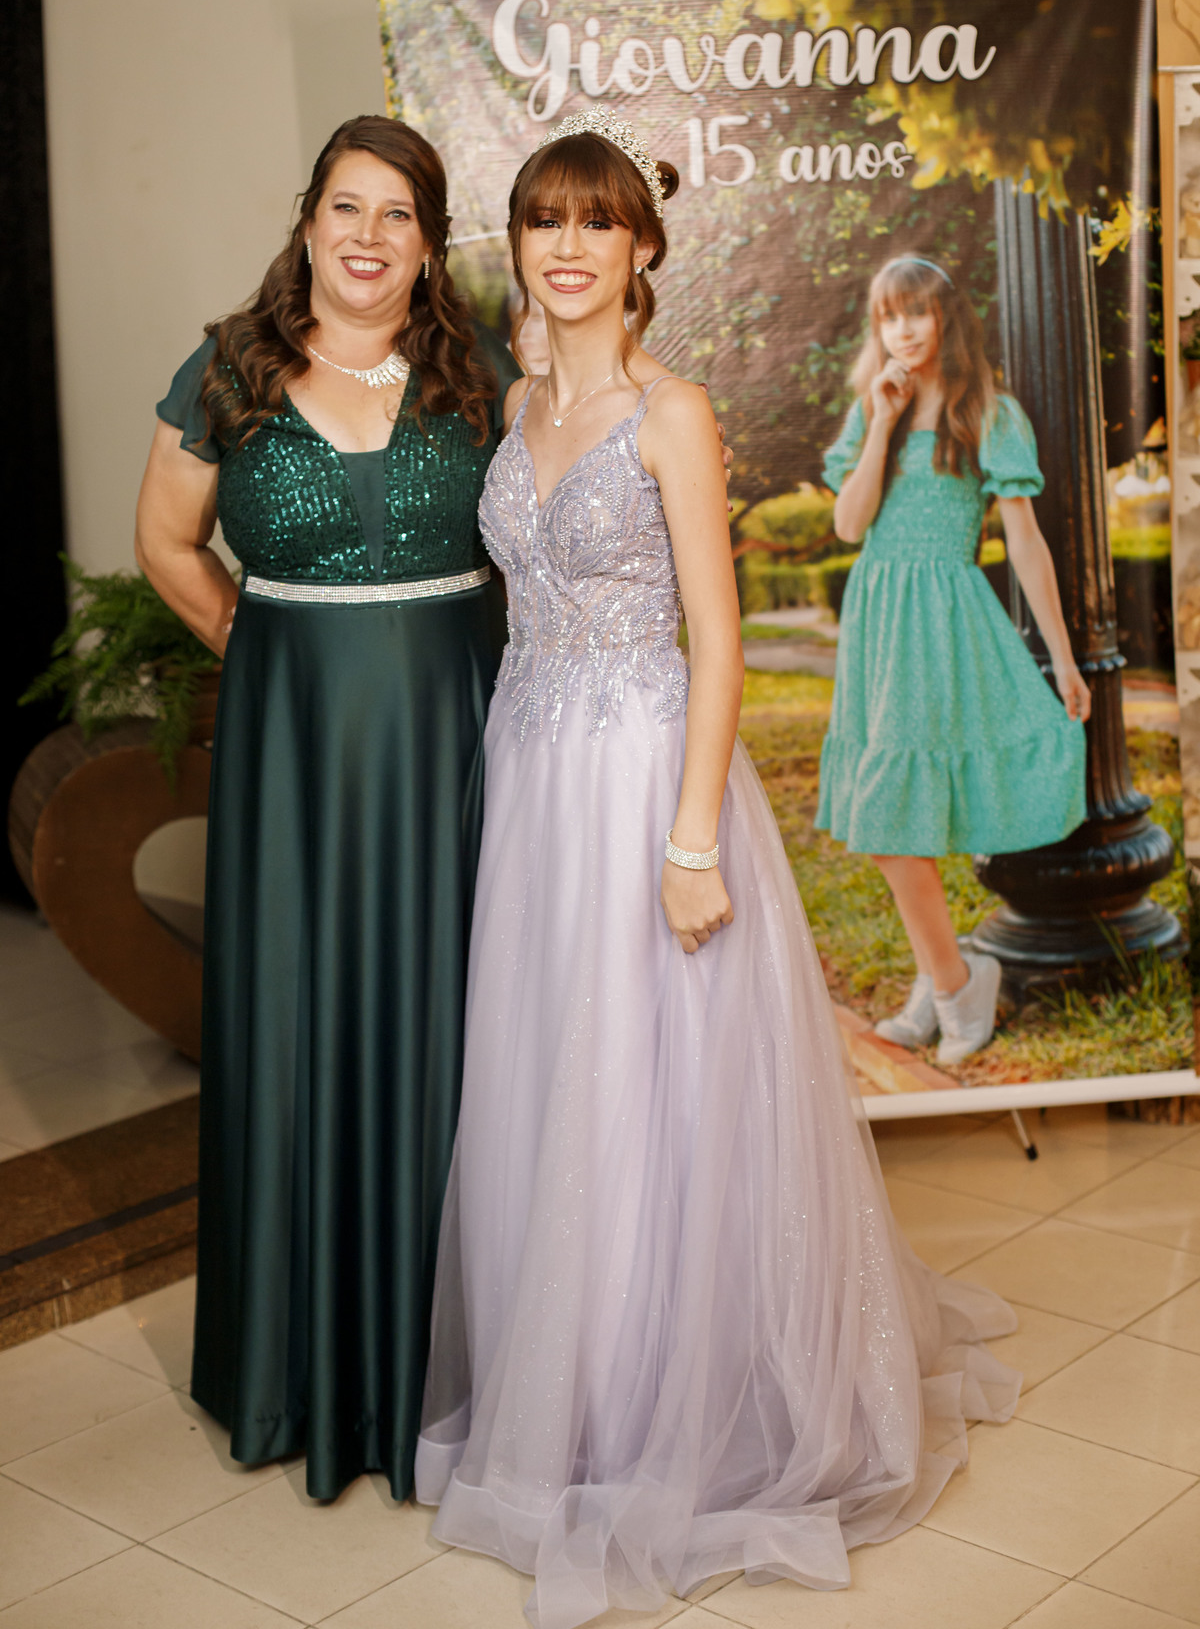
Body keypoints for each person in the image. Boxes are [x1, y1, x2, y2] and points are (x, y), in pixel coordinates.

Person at [414, 111, 1020, 1629]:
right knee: (549, 1075)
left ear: (641, 249)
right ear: (520, 246)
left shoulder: (673, 413)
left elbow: (722, 638)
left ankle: (666, 1411)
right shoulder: (516, 400)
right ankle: (568, 1395)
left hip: (643, 777)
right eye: (545, 221)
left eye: (596, 223)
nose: (567, 247)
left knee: (652, 1083)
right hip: (532, 774)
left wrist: (693, 841)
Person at [135, 115, 520, 1501]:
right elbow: (165, 541)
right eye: (347, 208)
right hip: (293, 754)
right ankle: (296, 1369)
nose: (368, 236)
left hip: (459, 740)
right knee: (297, 1019)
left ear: (429, 244)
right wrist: (269, 648)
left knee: (460, 1020)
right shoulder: (227, 367)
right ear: (308, 222)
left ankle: (454, 1370)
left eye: (398, 215)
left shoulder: (483, 369)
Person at [816, 255, 1090, 1064]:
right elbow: (849, 525)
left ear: (945, 318)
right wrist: (880, 421)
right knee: (894, 817)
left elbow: (1026, 544)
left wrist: (1063, 659)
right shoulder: (874, 406)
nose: (902, 330)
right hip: (878, 619)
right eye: (888, 316)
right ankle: (947, 976)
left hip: (940, 620)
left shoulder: (987, 412)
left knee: (893, 818)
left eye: (916, 313)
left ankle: (954, 985)